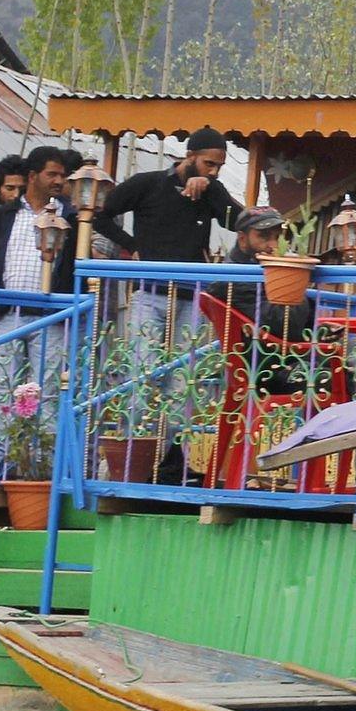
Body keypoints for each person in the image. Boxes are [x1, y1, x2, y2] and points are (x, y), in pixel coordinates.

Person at [96, 127, 243, 483]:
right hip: (149, 293)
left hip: (191, 297)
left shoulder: (211, 193)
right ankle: (130, 460)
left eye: (219, 166)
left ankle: (169, 460)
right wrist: (131, 246)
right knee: (142, 376)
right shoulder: (148, 184)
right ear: (189, 156)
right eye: (208, 164)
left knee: (183, 384)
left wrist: (213, 190)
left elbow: (240, 221)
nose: (213, 170)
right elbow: (102, 214)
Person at [217, 208, 356, 489]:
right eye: (264, 236)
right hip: (270, 368)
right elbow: (280, 327)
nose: (273, 243)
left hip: (293, 352)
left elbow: (291, 327)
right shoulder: (234, 277)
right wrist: (293, 282)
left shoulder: (268, 267)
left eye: (277, 235)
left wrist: (322, 332)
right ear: (242, 238)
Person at [0, 146, 79, 476]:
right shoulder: (5, 216)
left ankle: (42, 461)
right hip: (6, 314)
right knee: (3, 387)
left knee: (45, 390)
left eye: (62, 175)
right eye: (52, 174)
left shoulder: (70, 218)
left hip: (50, 314)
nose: (59, 180)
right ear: (33, 177)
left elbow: (76, 264)